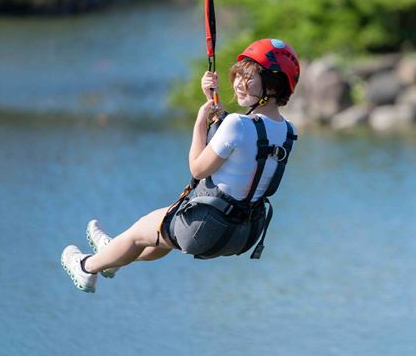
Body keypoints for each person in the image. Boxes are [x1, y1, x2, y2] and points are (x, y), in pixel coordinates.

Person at [61, 38, 300, 293]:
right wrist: (218, 113)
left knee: (136, 233)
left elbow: (197, 169)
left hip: (205, 226)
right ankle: (113, 256)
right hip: (243, 234)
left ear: (272, 86)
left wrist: (200, 120)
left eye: (249, 78)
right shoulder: (287, 131)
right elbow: (246, 144)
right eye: (238, 76)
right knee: (157, 239)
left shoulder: (237, 125)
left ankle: (87, 267)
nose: (239, 84)